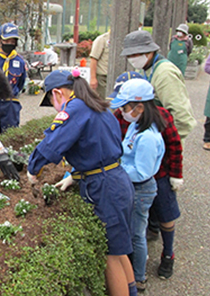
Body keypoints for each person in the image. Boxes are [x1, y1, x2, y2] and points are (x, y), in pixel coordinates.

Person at [27, 69, 138, 296]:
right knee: (119, 250)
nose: (54, 105)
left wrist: (33, 169)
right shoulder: (96, 105)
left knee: (110, 256)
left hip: (105, 187)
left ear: (57, 92)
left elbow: (52, 143)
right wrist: (74, 176)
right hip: (115, 180)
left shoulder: (75, 109)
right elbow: (98, 148)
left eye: (51, 99)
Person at [110, 72, 183, 283]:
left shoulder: (148, 136)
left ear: (139, 107)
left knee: (137, 234)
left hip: (142, 188)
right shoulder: (136, 125)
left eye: (125, 107)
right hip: (134, 185)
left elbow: (142, 171)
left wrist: (116, 170)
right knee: (133, 230)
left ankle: (139, 276)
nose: (122, 112)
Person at [121, 30, 196, 141]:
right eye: (129, 55)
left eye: (135, 54)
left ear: (149, 51)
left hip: (163, 139)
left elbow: (181, 116)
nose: (132, 58)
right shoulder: (145, 69)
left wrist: (168, 141)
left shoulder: (165, 73)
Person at [89, 30, 110, 99]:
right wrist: (93, 78)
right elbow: (94, 59)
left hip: (115, 77)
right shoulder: (102, 39)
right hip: (102, 77)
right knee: (104, 101)